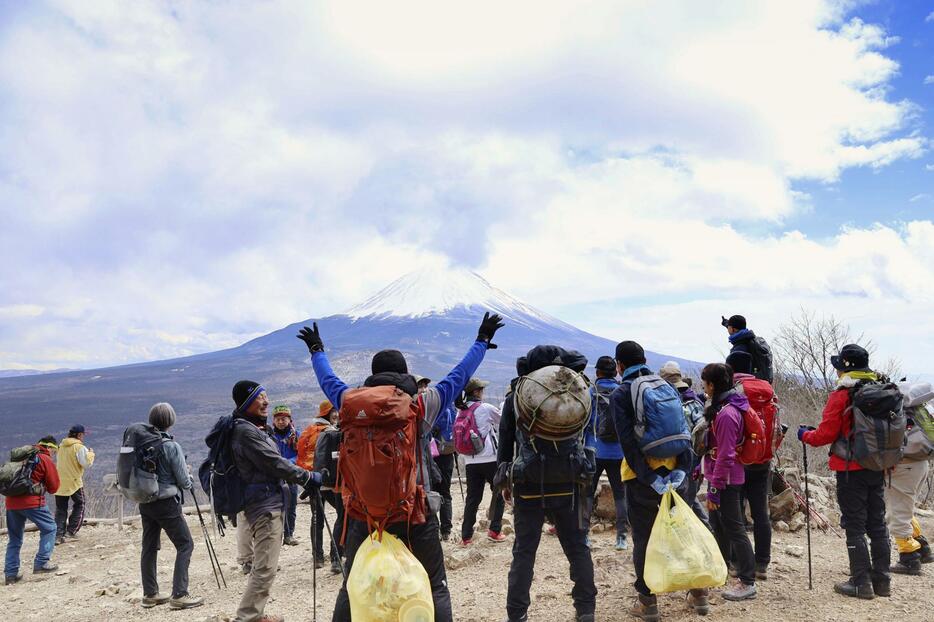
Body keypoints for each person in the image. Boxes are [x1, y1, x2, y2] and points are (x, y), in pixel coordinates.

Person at [298, 312, 504, 622]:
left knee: (352, 587)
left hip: (362, 515)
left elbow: (328, 380)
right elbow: (459, 374)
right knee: (434, 586)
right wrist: (482, 340)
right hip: (413, 511)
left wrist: (317, 350)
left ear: (373, 375)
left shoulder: (349, 402)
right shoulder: (421, 405)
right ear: (405, 374)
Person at [498, 345, 596, 622]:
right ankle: (586, 609)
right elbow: (586, 436)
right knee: (578, 548)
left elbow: (505, 444)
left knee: (524, 553)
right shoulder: (577, 393)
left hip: (528, 484)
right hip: (570, 482)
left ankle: (517, 614)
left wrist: (504, 481)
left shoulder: (517, 396)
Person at [610, 341, 701, 620]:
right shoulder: (667, 386)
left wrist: (649, 477)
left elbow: (627, 443)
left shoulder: (621, 393)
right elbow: (683, 432)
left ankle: (647, 603)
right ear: (645, 359)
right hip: (677, 473)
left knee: (644, 539)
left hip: (642, 479)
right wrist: (683, 470)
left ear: (619, 365)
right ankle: (699, 594)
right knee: (683, 532)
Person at [799, 344, 891, 599]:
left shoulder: (843, 394)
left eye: (839, 365)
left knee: (854, 524)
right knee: (877, 524)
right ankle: (882, 581)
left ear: (846, 367)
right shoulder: (882, 390)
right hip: (878, 465)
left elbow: (825, 435)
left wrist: (804, 435)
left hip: (850, 468)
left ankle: (861, 583)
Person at [229, 380, 321, 622]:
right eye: (260, 397)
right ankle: (247, 617)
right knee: (265, 566)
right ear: (247, 401)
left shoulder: (251, 427)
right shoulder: (246, 432)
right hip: (264, 504)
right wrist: (308, 477)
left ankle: (255, 614)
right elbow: (274, 462)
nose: (266, 401)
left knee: (265, 564)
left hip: (266, 500)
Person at [138, 403, 203, 610]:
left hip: (145, 502)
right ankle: (179, 595)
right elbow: (184, 482)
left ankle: (150, 594)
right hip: (166, 503)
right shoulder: (170, 446)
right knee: (185, 544)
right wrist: (189, 476)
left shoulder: (141, 444)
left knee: (149, 547)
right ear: (170, 420)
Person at [701, 363, 758, 601]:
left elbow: (725, 455)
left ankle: (747, 581)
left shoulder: (727, 414)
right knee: (719, 525)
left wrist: (714, 489)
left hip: (726, 479)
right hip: (722, 475)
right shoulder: (728, 407)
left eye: (705, 383)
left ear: (712, 385)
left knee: (734, 528)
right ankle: (722, 569)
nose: (703, 387)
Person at [724, 352, 772, 579]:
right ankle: (762, 563)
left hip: (740, 459)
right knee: (761, 511)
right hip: (763, 458)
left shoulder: (733, 390)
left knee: (736, 512)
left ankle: (737, 562)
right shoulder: (767, 389)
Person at [658, 360, 710, 529]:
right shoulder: (696, 401)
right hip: (697, 461)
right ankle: (709, 530)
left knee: (681, 504)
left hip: (678, 461)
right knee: (689, 498)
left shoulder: (671, 404)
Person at [586, 355, 630, 550]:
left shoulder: (590, 392)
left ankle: (584, 535)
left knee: (587, 493)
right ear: (616, 371)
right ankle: (621, 538)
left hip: (594, 450)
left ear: (597, 373)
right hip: (619, 452)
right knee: (620, 495)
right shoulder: (623, 391)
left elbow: (584, 422)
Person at [4, 436, 60, 584]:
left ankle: (10, 574)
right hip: (33, 502)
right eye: (54, 450)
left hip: (11, 503)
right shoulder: (44, 459)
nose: (53, 454)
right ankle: (41, 562)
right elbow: (54, 487)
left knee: (14, 539)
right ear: (49, 447)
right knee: (50, 528)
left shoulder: (21, 457)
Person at [298, 400, 344, 572]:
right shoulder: (331, 431)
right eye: (333, 411)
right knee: (341, 515)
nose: (336, 414)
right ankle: (336, 555)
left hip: (312, 480)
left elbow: (301, 452)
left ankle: (317, 557)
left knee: (317, 518)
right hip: (329, 481)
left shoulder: (309, 430)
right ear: (327, 414)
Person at [459, 378, 506, 545]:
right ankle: (494, 530)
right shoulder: (485, 408)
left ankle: (466, 536)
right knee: (498, 493)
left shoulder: (461, 410)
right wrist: (503, 405)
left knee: (473, 498)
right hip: (489, 458)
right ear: (477, 392)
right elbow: (502, 419)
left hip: (470, 461)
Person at [54, 424, 94, 543]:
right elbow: (86, 464)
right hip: (74, 481)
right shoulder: (79, 447)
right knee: (80, 503)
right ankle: (71, 531)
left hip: (60, 481)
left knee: (61, 508)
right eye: (83, 435)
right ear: (79, 435)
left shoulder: (61, 446)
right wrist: (91, 454)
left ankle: (58, 534)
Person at [270, 405, 301, 546]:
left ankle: (289, 535)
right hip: (274, 476)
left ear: (289, 419)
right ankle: (277, 536)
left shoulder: (296, 436)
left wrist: (288, 463)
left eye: (284, 419)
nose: (281, 422)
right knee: (276, 507)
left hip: (291, 474)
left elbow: (301, 454)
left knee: (291, 506)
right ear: (273, 420)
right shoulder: (269, 437)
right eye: (278, 419)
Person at [430, 395, 457, 542]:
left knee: (431, 491)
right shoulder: (451, 406)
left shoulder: (432, 407)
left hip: (432, 455)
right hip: (447, 453)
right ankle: (446, 530)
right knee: (445, 493)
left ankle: (434, 528)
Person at [721, 314, 772, 383]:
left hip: (747, 386)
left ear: (733, 329)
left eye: (729, 327)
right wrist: (727, 324)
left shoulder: (740, 348)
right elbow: (737, 329)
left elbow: (734, 375)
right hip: (762, 382)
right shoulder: (749, 339)